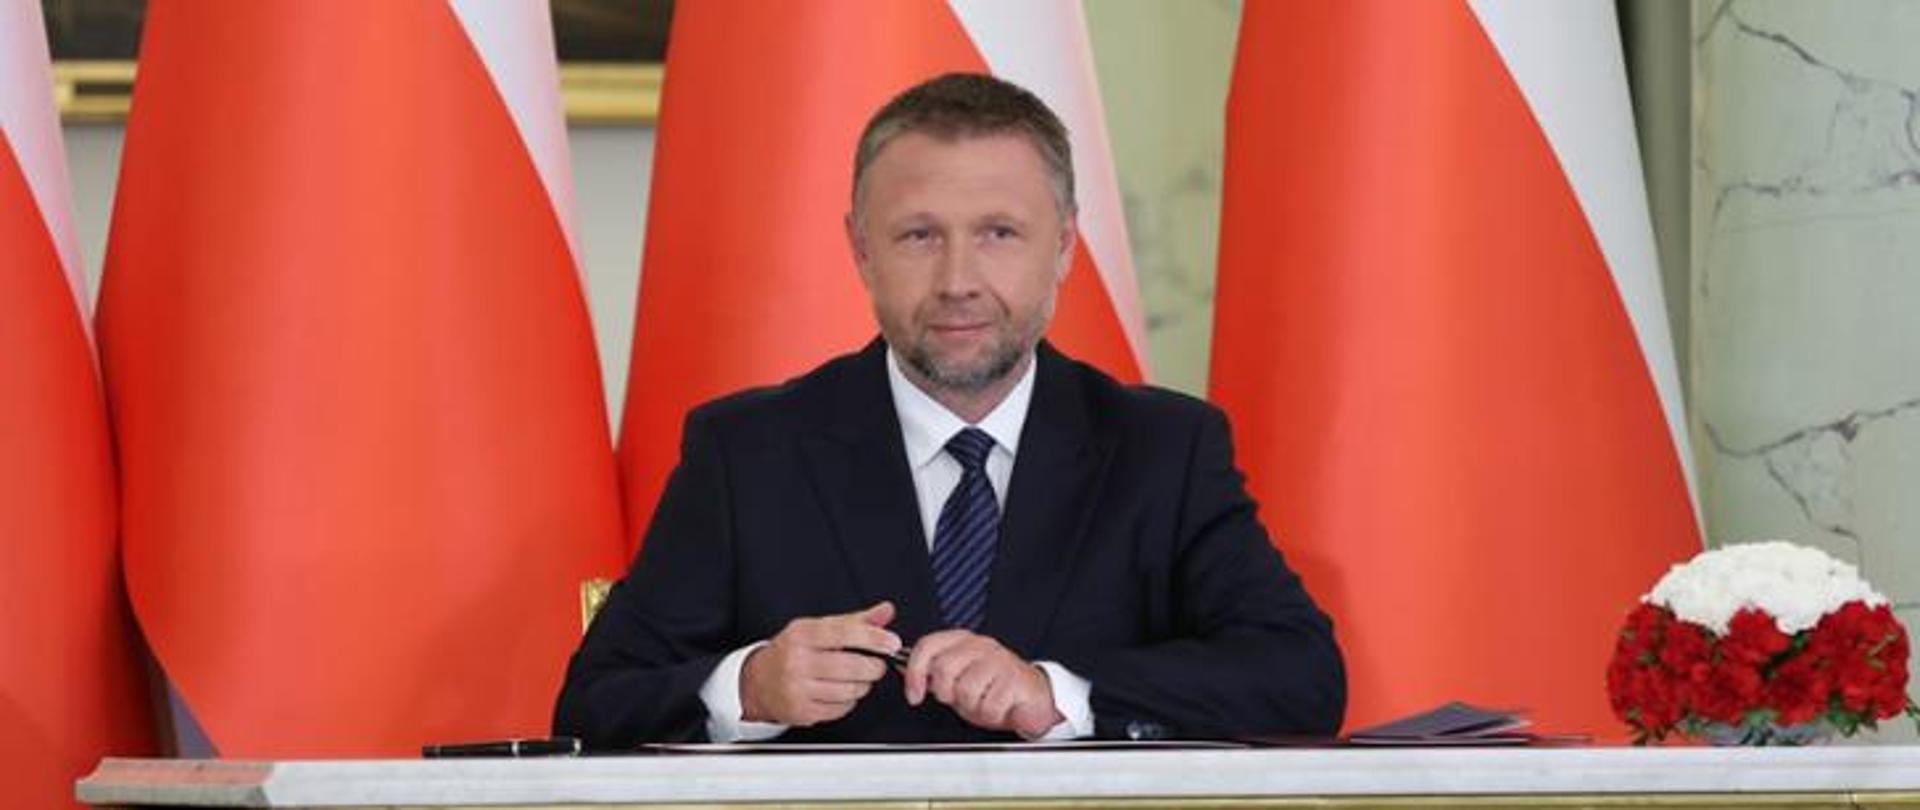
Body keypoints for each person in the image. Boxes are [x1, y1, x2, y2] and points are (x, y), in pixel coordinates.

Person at [554, 72, 1344, 745]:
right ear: (861, 250)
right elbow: (593, 704)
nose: (958, 280)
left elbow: (1298, 676)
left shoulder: (1163, 448)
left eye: (1000, 232)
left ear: (1065, 246)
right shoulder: (747, 451)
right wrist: (747, 689)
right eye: (919, 236)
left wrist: (1059, 693)